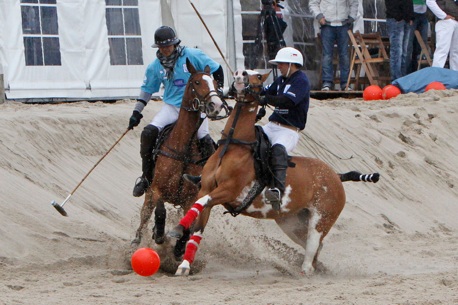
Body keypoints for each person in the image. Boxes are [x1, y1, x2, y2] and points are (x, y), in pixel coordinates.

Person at [127, 26, 224, 197]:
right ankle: (146, 177)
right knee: (148, 133)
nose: (166, 49)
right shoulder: (155, 66)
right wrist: (137, 112)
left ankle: (212, 178)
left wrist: (218, 92)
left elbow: (217, 69)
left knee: (206, 141)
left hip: (196, 109)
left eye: (169, 45)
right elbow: (147, 90)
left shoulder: (192, 55)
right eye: (162, 47)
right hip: (172, 107)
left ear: (175, 43)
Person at [259, 47, 310, 207]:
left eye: (281, 64)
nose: (278, 67)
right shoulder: (280, 80)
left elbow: (287, 101)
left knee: (278, 150)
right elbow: (264, 90)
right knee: (249, 138)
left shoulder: (301, 80)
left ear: (291, 64)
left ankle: (277, 190)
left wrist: (265, 98)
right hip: (272, 126)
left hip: (288, 130)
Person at [309, 0, 359, 91]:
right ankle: (327, 83)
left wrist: (352, 17)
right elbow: (313, 3)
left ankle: (345, 83)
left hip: (343, 24)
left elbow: (354, 2)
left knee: (343, 55)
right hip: (327, 25)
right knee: (328, 55)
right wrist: (319, 17)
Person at [385, 0, 414, 81]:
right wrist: (397, 16)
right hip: (396, 19)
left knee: (404, 52)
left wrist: (410, 17)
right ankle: (396, 79)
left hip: (405, 19)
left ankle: (402, 77)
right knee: (397, 51)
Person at [426, 0, 458, 71]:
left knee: (455, 52)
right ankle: (436, 76)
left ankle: (455, 77)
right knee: (442, 51)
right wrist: (443, 16)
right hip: (445, 20)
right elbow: (430, 1)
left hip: (454, 19)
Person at [407, 0, 431, 74]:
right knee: (409, 45)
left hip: (423, 13)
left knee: (422, 45)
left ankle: (418, 70)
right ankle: (408, 71)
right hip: (412, 12)